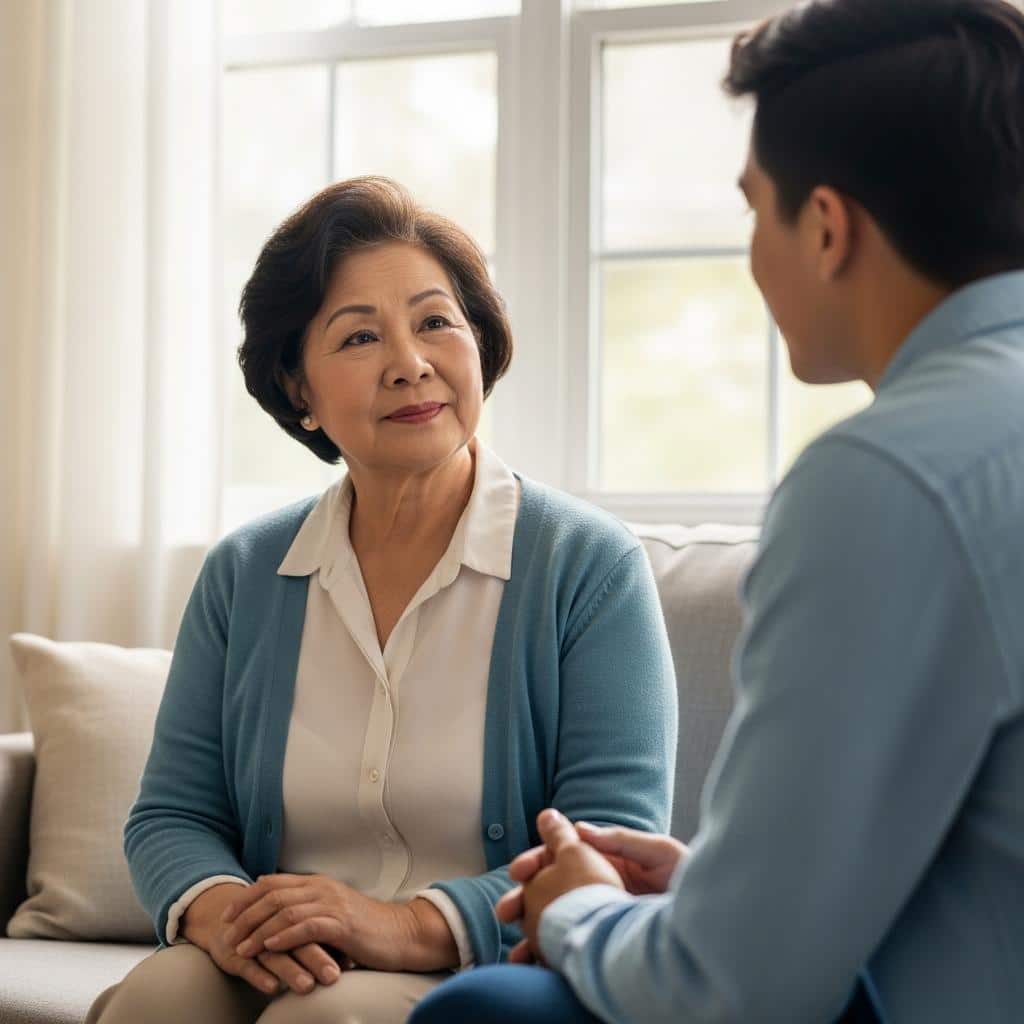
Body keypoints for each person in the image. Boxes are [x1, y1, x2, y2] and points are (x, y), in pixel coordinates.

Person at [409, 1, 1024, 1021]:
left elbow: (732, 991)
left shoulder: (884, 479)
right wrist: (717, 888)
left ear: (826, 227)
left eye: (753, 209)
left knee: (481, 1013)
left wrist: (577, 909)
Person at [84, 177, 677, 1024]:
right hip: (286, 950)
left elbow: (603, 844)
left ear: (480, 342)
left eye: (437, 321)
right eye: (361, 336)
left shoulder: (586, 565)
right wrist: (228, 914)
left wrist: (399, 924)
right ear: (299, 390)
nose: (411, 362)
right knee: (159, 997)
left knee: (324, 1019)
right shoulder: (246, 573)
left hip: (479, 964)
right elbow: (173, 812)